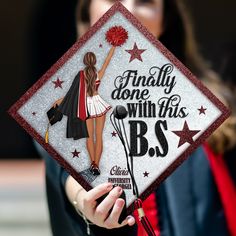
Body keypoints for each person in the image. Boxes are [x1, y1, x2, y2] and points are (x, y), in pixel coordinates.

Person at [35, 0, 236, 235]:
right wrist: (85, 200)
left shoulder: (211, 104)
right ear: (87, 12)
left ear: (166, 19)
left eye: (144, 1)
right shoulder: (63, 101)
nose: (127, 11)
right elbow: (64, 168)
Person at [53, 49, 115, 175]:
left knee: (89, 137)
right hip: (98, 104)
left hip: (86, 106)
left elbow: (72, 93)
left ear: (85, 61)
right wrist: (113, 47)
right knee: (99, 136)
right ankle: (96, 164)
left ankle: (93, 164)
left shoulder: (81, 75)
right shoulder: (99, 73)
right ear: (95, 61)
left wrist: (60, 100)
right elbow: (107, 62)